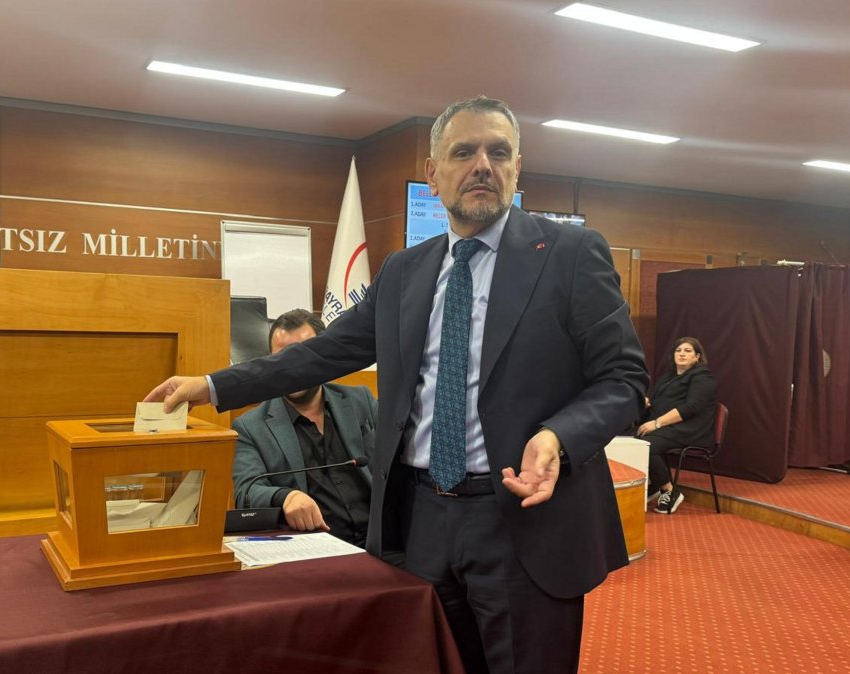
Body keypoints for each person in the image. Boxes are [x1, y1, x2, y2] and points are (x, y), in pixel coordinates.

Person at [147, 95, 648, 673]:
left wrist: (558, 437)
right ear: (434, 175)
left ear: (517, 168)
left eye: (498, 152)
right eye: (464, 152)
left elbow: (625, 379)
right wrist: (213, 385)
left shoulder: (569, 254)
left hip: (520, 519)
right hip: (419, 522)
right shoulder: (404, 271)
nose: (482, 164)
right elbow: (324, 352)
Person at [232, 309, 376, 547]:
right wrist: (286, 497)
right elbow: (246, 492)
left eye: (301, 356)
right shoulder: (250, 427)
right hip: (316, 550)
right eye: (281, 358)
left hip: (382, 543)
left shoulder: (361, 402)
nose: (290, 369)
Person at [635, 337, 717, 515]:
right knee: (630, 441)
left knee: (646, 447)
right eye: (678, 350)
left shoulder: (703, 377)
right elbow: (658, 404)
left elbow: (691, 407)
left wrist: (656, 423)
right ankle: (654, 485)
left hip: (690, 430)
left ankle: (669, 491)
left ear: (697, 357)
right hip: (667, 429)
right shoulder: (667, 378)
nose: (681, 354)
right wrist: (647, 403)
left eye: (687, 351)